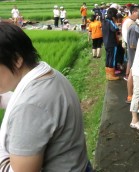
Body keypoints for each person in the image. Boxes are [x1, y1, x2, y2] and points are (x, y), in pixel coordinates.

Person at [0, 21, 91, 171]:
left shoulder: (30, 106)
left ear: (16, 59)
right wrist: (3, 100)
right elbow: (43, 112)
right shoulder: (49, 75)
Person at [122, 5, 139, 103]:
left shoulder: (129, 22)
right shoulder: (131, 24)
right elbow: (133, 43)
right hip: (132, 50)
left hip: (129, 48)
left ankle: (130, 95)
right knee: (132, 73)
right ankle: (130, 96)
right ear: (133, 12)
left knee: (131, 71)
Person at [102, 7, 120, 81]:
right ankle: (112, 75)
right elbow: (115, 28)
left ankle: (107, 74)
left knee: (108, 58)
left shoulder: (104, 21)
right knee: (112, 59)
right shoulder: (110, 21)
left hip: (106, 43)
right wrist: (115, 22)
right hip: (112, 43)